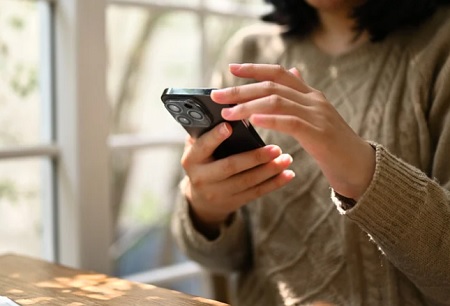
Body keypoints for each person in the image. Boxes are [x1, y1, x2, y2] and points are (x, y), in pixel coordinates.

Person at [171, 0, 450, 305]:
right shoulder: (249, 52)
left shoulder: (440, 47)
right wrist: (206, 209)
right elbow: (223, 261)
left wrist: (366, 174)